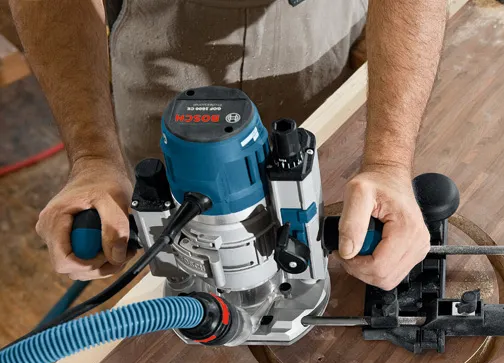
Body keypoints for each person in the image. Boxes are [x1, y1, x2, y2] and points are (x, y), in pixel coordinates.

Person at [9, 0, 447, 290]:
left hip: (321, 11)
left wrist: (388, 162)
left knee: (334, 179)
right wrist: (92, 158)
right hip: (164, 24)